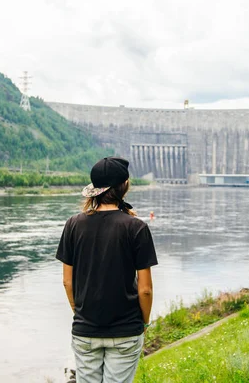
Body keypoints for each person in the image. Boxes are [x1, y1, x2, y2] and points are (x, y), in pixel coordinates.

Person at [56, 157, 158, 383]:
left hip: (85, 329)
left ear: (95, 189)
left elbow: (67, 282)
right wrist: (145, 323)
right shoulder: (136, 227)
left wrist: (79, 312)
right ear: (124, 186)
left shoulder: (73, 224)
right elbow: (146, 289)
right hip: (126, 331)